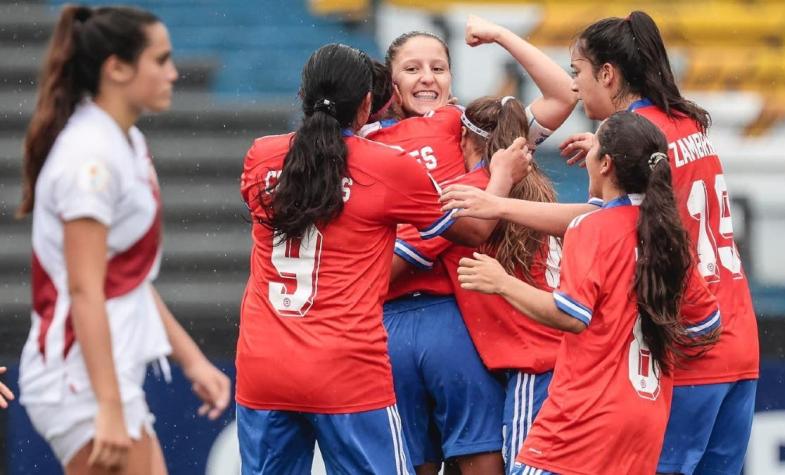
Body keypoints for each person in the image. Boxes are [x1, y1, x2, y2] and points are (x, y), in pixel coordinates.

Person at [235, 43, 530, 474]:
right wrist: (499, 175)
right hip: (346, 368)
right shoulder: (388, 167)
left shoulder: (260, 155)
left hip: (263, 363)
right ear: (369, 103)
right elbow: (475, 229)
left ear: (303, 95)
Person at [17, 5, 231, 474]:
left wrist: (192, 361)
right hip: (79, 378)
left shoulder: (125, 143)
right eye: (160, 60)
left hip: (104, 375)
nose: (173, 73)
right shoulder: (90, 158)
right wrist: (108, 407)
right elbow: (83, 289)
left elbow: (124, 277)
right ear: (116, 68)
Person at [456, 111, 721, 475]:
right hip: (646, 418)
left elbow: (571, 315)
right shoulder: (670, 239)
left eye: (594, 147)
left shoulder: (592, 228)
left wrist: (500, 281)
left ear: (606, 164)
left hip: (584, 418)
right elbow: (705, 326)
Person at [557, 12, 759, 475]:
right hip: (739, 337)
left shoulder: (629, 137)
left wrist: (499, 208)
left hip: (687, 341)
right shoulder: (687, 121)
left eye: (577, 73)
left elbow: (600, 224)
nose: (575, 87)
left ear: (607, 74)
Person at [374, 22, 578, 474]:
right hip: (411, 322)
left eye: (438, 68)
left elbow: (564, 94)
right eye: (412, 68)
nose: (427, 77)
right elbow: (563, 96)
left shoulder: (463, 125)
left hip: (448, 318)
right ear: (390, 84)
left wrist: (502, 36)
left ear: (452, 78)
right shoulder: (371, 140)